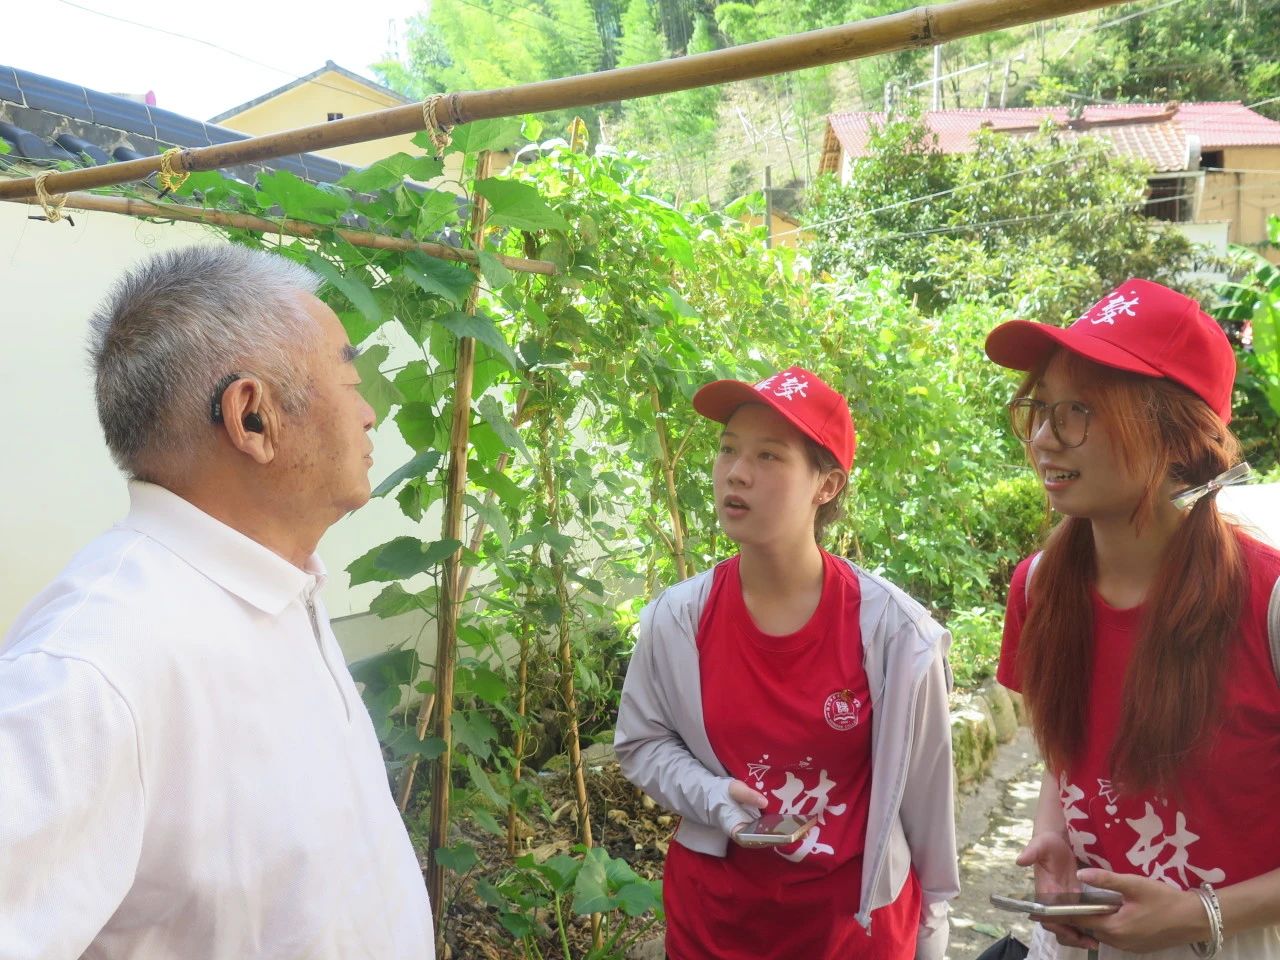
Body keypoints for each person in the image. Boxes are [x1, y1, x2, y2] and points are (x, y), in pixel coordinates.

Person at [0, 245, 434, 959]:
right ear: (252, 418)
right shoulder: (95, 667)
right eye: (352, 381)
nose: (368, 417)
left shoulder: (279, 584)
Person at [614, 366, 959, 959]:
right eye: (728, 450)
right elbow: (641, 743)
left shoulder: (895, 634)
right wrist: (716, 798)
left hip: (853, 933)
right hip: (715, 927)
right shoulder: (678, 619)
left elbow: (926, 797)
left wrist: (932, 935)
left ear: (825, 486)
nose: (736, 472)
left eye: (769, 456)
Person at [986, 278, 1280, 959]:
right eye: (1041, 407)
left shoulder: (1266, 603)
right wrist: (1054, 836)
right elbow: (1067, 759)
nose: (1044, 439)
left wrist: (1196, 915)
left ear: (1178, 435)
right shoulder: (1041, 587)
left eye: (1081, 409)